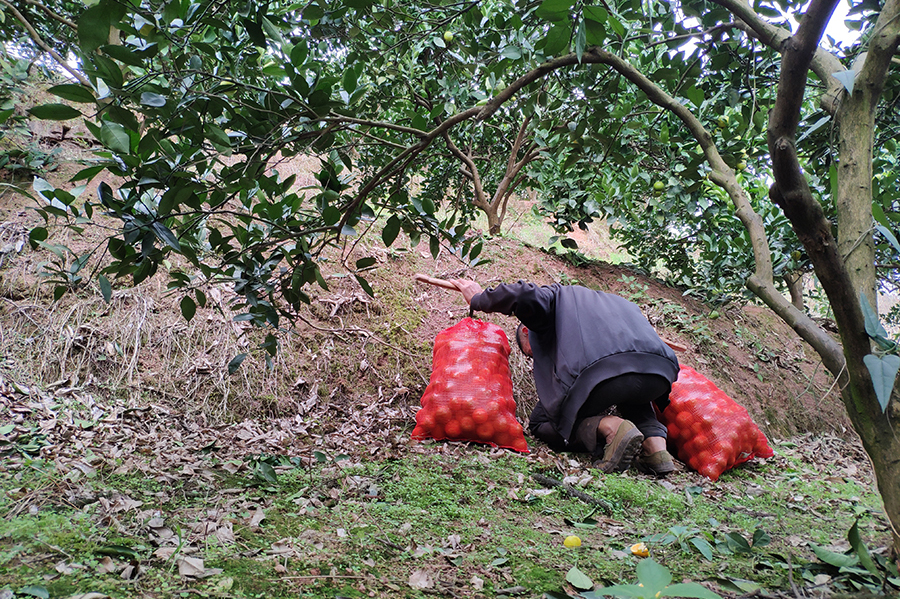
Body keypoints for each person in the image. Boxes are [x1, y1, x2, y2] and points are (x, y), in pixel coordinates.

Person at [449, 278, 680, 476]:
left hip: (603, 372)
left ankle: (611, 427)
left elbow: (523, 294)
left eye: (532, 352)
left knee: (541, 421)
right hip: (661, 372)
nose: (537, 357)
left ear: (527, 331)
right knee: (633, 392)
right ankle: (656, 448)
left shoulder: (554, 300)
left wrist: (478, 298)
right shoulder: (620, 303)